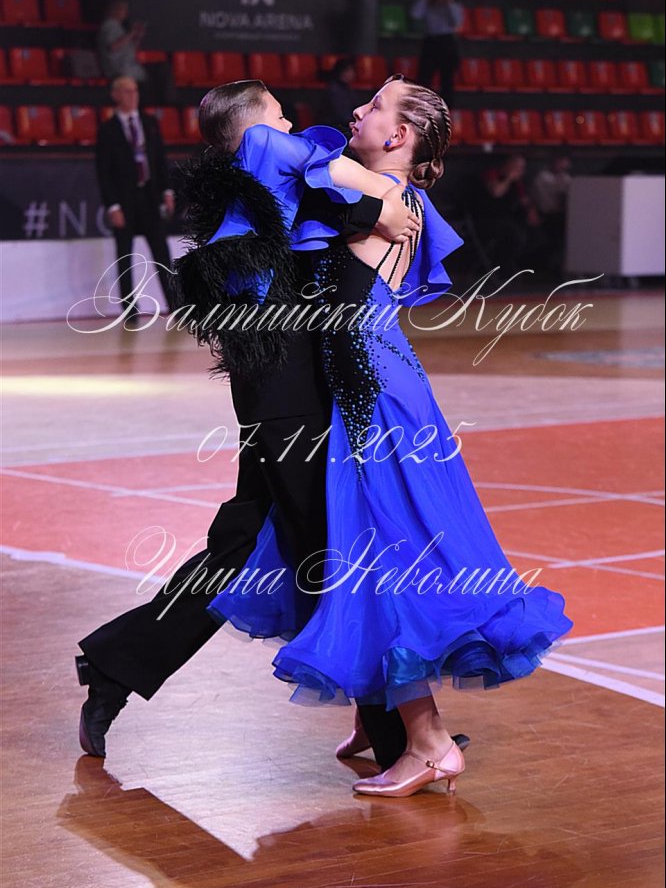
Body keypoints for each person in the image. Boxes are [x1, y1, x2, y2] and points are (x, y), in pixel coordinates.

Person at [78, 79, 467, 772]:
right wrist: (374, 200)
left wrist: (383, 197)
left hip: (293, 375)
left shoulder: (291, 176)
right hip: (281, 378)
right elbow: (314, 178)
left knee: (248, 543)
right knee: (329, 541)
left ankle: (115, 665)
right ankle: (403, 734)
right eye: (280, 115)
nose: (296, 124)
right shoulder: (266, 154)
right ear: (255, 127)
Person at [207, 76, 573, 798]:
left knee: (382, 562)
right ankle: (386, 725)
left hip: (370, 399)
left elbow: (272, 154)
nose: (356, 111)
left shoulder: (389, 202)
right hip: (375, 386)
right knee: (365, 554)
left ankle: (427, 743)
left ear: (399, 137)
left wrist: (352, 189)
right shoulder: (385, 198)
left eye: (374, 107)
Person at [95, 76, 175, 325]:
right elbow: (103, 172)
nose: (132, 96)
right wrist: (113, 206)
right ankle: (130, 309)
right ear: (116, 95)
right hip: (124, 199)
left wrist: (167, 191)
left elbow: (160, 159)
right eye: (127, 91)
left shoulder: (149, 123)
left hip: (149, 196)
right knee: (125, 256)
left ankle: (176, 304)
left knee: (162, 253)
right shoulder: (108, 130)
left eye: (135, 91)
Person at [469, 154, 542, 275]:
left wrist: (532, 212)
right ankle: (499, 267)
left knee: (536, 235)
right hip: (487, 218)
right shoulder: (492, 174)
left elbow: (525, 200)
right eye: (517, 167)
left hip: (507, 218)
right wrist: (508, 178)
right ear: (508, 165)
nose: (520, 171)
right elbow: (496, 192)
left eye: (522, 168)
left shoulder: (518, 183)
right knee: (515, 235)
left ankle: (521, 266)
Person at [411, 0, 464, 107]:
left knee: (447, 79)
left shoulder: (454, 5)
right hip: (431, 41)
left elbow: (457, 22)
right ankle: (422, 107)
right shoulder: (428, 4)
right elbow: (415, 14)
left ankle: (447, 109)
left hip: (447, 41)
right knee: (424, 78)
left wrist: (448, 0)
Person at [532, 154, 572, 271]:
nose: (562, 165)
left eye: (565, 162)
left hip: (562, 215)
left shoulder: (566, 177)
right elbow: (545, 201)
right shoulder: (542, 177)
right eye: (560, 161)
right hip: (546, 214)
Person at [97, 0, 147, 85]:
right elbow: (113, 47)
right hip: (118, 69)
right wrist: (132, 32)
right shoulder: (109, 25)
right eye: (123, 9)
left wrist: (137, 36)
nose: (126, 13)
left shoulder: (119, 27)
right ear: (114, 10)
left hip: (128, 67)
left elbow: (131, 48)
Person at [321, 57, 356, 133]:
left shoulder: (347, 88)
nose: (353, 74)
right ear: (343, 72)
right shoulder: (334, 90)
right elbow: (342, 116)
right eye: (351, 70)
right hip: (334, 129)